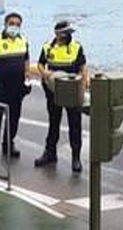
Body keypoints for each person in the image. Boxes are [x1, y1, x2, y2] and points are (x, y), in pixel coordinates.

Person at [34, 20, 88, 173]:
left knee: (75, 125)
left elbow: (83, 67)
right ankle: (50, 153)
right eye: (66, 33)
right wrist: (45, 73)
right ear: (58, 34)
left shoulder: (76, 47)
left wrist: (83, 85)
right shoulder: (48, 47)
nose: (69, 36)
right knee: (54, 123)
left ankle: (76, 158)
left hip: (72, 91)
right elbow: (40, 64)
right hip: (53, 91)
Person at [0, 11, 32, 165]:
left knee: (14, 118)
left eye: (18, 24)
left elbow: (26, 58)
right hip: (0, 88)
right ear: (5, 24)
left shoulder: (23, 40)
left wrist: (27, 72)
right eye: (12, 24)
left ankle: (8, 144)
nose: (14, 27)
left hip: (18, 88)